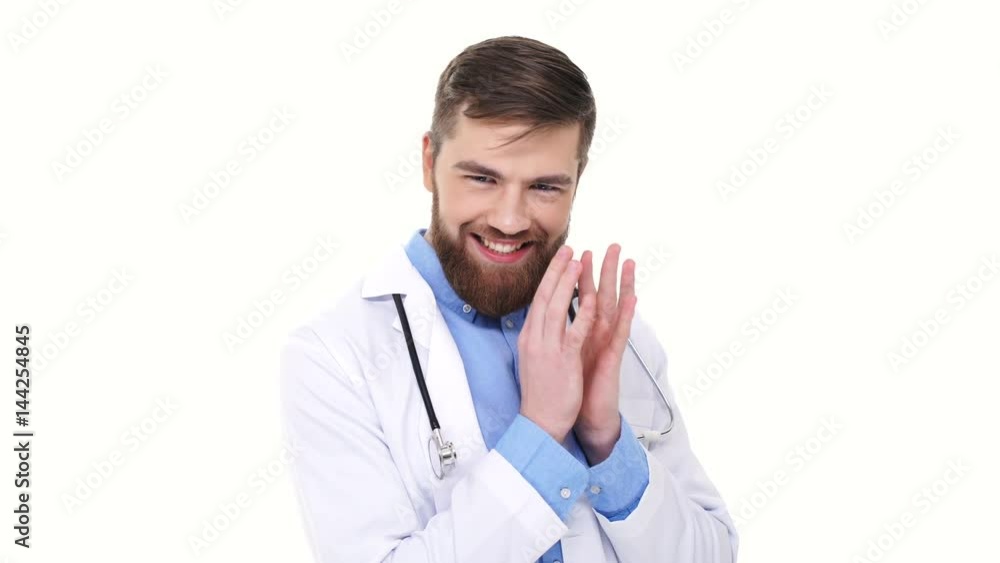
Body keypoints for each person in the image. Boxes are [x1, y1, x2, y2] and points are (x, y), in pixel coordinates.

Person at [279, 35, 739, 563]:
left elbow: (713, 554)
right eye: (482, 178)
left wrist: (607, 440)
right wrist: (539, 434)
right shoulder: (334, 357)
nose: (510, 219)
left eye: (545, 187)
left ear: (577, 181)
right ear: (429, 162)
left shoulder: (617, 340)